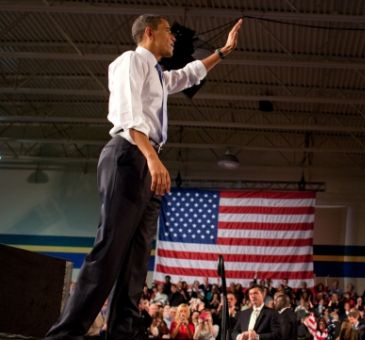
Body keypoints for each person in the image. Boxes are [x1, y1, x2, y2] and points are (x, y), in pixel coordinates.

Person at [43, 14, 243, 340]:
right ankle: (64, 334)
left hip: (147, 164)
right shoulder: (130, 62)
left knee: (136, 263)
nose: (174, 38)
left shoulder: (158, 75)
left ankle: (121, 332)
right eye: (168, 32)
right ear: (149, 32)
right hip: (128, 156)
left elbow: (189, 75)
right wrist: (151, 157)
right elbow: (128, 112)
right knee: (110, 251)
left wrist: (221, 52)